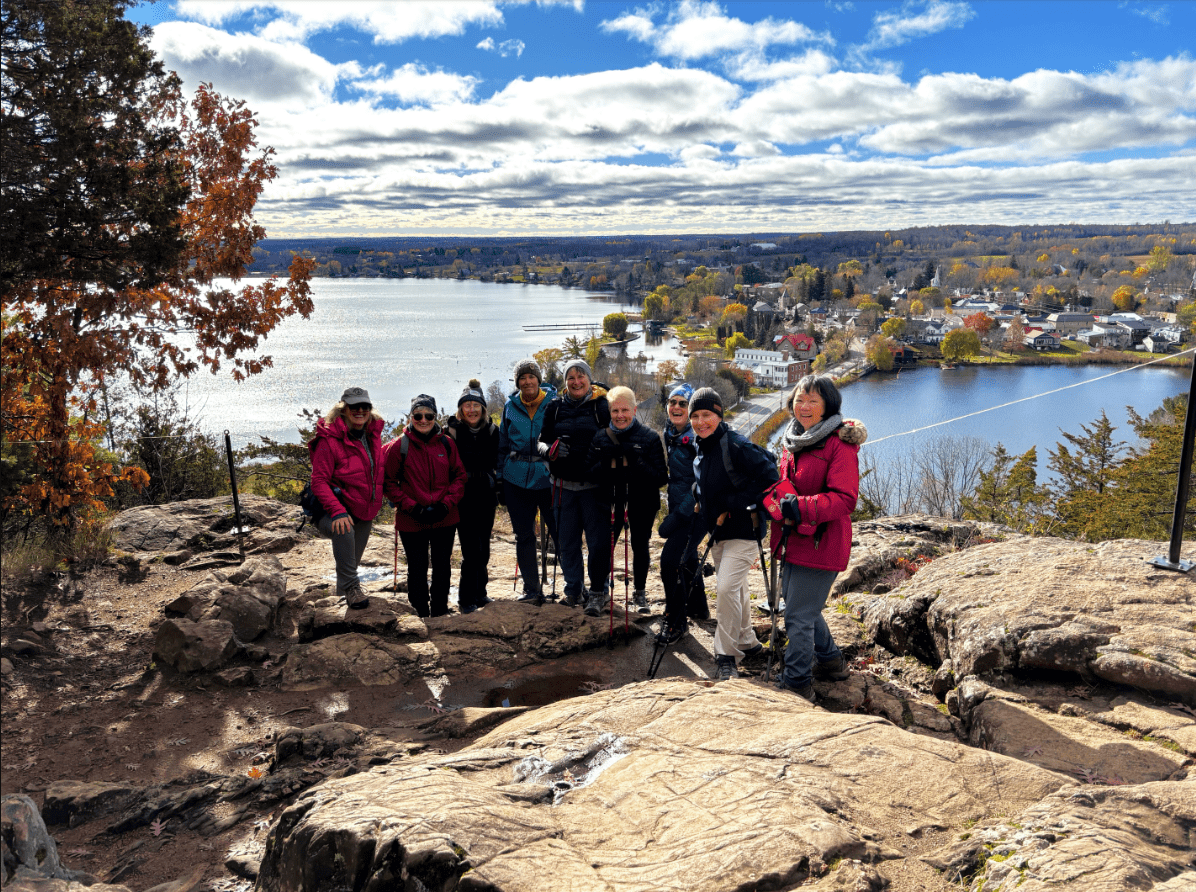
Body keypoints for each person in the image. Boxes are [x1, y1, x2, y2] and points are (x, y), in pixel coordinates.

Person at [768, 375, 867, 702]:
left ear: (828, 405)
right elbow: (786, 487)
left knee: (797, 615)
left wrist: (800, 506)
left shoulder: (839, 443)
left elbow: (845, 498)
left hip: (821, 541)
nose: (804, 406)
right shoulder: (793, 439)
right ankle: (832, 662)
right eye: (799, 399)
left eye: (812, 400)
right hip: (793, 539)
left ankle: (797, 684)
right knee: (802, 608)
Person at [689, 387, 779, 681]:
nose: (701, 422)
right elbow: (709, 481)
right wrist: (699, 493)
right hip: (719, 533)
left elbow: (772, 478)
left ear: (719, 415)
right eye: (696, 416)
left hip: (745, 530)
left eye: (707, 415)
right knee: (736, 588)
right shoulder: (701, 446)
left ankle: (726, 655)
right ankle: (747, 641)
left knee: (726, 587)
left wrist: (731, 504)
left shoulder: (736, 445)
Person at [587, 385, 668, 614]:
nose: (620, 415)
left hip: (641, 501)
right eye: (615, 411)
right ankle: (596, 594)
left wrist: (637, 462)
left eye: (624, 410)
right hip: (610, 501)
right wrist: (604, 463)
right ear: (609, 412)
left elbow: (661, 477)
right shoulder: (600, 437)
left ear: (634, 410)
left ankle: (640, 594)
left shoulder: (650, 438)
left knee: (639, 546)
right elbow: (587, 473)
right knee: (602, 547)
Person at [539, 359, 611, 613]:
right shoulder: (554, 407)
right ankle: (573, 590)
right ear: (565, 381)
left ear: (589, 379)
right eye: (571, 377)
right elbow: (541, 442)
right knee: (567, 543)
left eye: (581, 376)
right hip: (562, 487)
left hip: (594, 487)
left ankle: (599, 592)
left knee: (597, 543)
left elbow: (615, 438)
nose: (576, 381)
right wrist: (550, 451)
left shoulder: (602, 406)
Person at [384, 395, 466, 618]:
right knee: (417, 568)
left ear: (435, 416)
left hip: (444, 517)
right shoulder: (398, 446)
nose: (423, 420)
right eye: (417, 415)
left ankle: (439, 611)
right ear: (411, 417)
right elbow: (389, 483)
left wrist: (446, 505)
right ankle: (419, 612)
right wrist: (412, 507)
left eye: (428, 415)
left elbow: (459, 476)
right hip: (412, 519)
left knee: (442, 566)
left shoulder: (447, 444)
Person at [309, 387, 386, 610]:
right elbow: (319, 481)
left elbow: (377, 471)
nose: (360, 410)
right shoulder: (329, 440)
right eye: (354, 407)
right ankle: (352, 589)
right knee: (344, 530)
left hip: (362, 511)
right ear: (344, 409)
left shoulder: (373, 434)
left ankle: (342, 604)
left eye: (365, 406)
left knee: (350, 566)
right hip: (332, 511)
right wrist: (338, 511)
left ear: (370, 410)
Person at [496, 359, 558, 606]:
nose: (527, 381)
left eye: (531, 376)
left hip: (549, 478)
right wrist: (500, 480)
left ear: (538, 378)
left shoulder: (554, 403)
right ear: (517, 382)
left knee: (561, 533)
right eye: (522, 378)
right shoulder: (510, 407)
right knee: (524, 536)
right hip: (516, 479)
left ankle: (574, 587)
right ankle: (531, 588)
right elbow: (502, 445)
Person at [656, 382, 708, 644]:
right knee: (687, 558)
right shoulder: (672, 432)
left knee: (670, 562)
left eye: (683, 403)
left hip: (696, 511)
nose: (676, 407)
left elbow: (702, 482)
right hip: (680, 506)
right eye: (673, 402)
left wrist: (678, 517)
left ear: (691, 408)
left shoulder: (697, 437)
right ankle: (699, 607)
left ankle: (676, 623)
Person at [445, 379, 500, 614]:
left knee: (484, 548)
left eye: (475, 405)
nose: (471, 409)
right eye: (466, 405)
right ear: (460, 409)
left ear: (483, 408)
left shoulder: (492, 430)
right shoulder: (451, 433)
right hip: (462, 496)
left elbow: (499, 460)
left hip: (486, 495)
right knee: (470, 549)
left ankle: (480, 593)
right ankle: (465, 598)